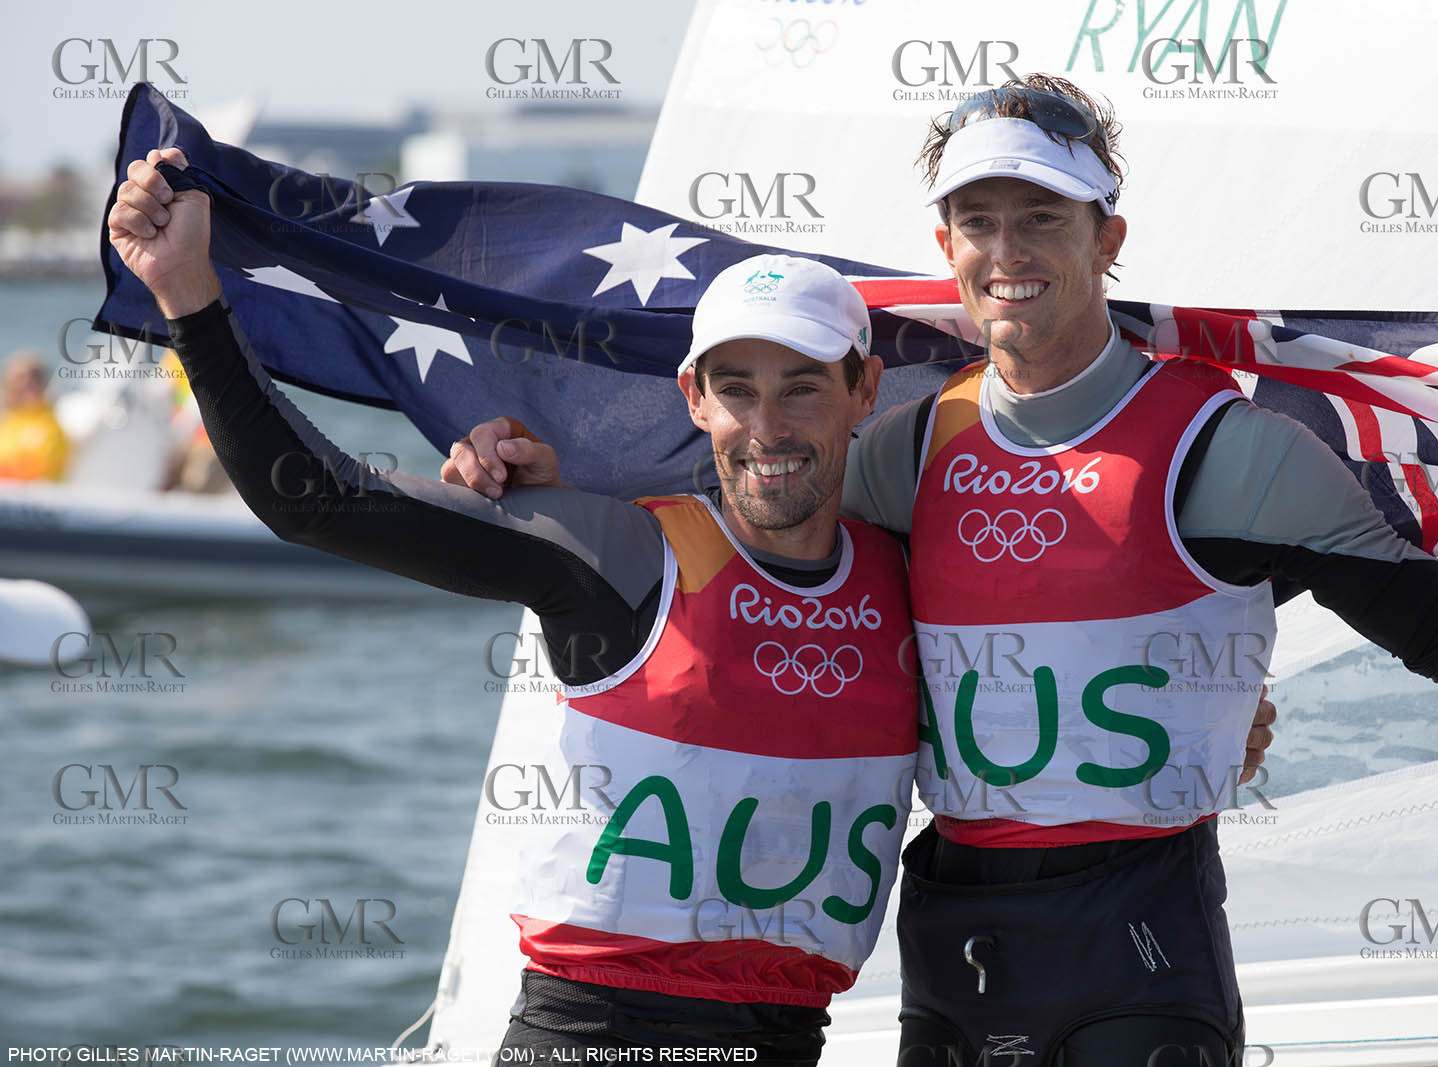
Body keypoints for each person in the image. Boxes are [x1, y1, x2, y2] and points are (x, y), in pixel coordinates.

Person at [446, 74, 1438, 1066]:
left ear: (1107, 238)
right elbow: (729, 557)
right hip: (950, 945)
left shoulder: (1235, 453)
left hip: (1138, 946)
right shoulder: (902, 450)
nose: (1007, 251)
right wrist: (540, 485)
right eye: (978, 220)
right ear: (945, 248)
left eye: (1042, 217)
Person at [110, 147, 922, 1064]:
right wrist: (188, 294)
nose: (767, 427)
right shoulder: (622, 555)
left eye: (802, 387)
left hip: (792, 1041)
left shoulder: (911, 580)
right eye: (737, 389)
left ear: (864, 389)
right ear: (695, 398)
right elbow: (315, 500)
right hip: (593, 1038)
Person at [0, 350, 71, 481]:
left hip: (38, 492)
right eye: (19, 379)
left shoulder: (49, 424)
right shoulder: (9, 420)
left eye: (34, 377)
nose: (26, 383)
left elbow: (41, 467)